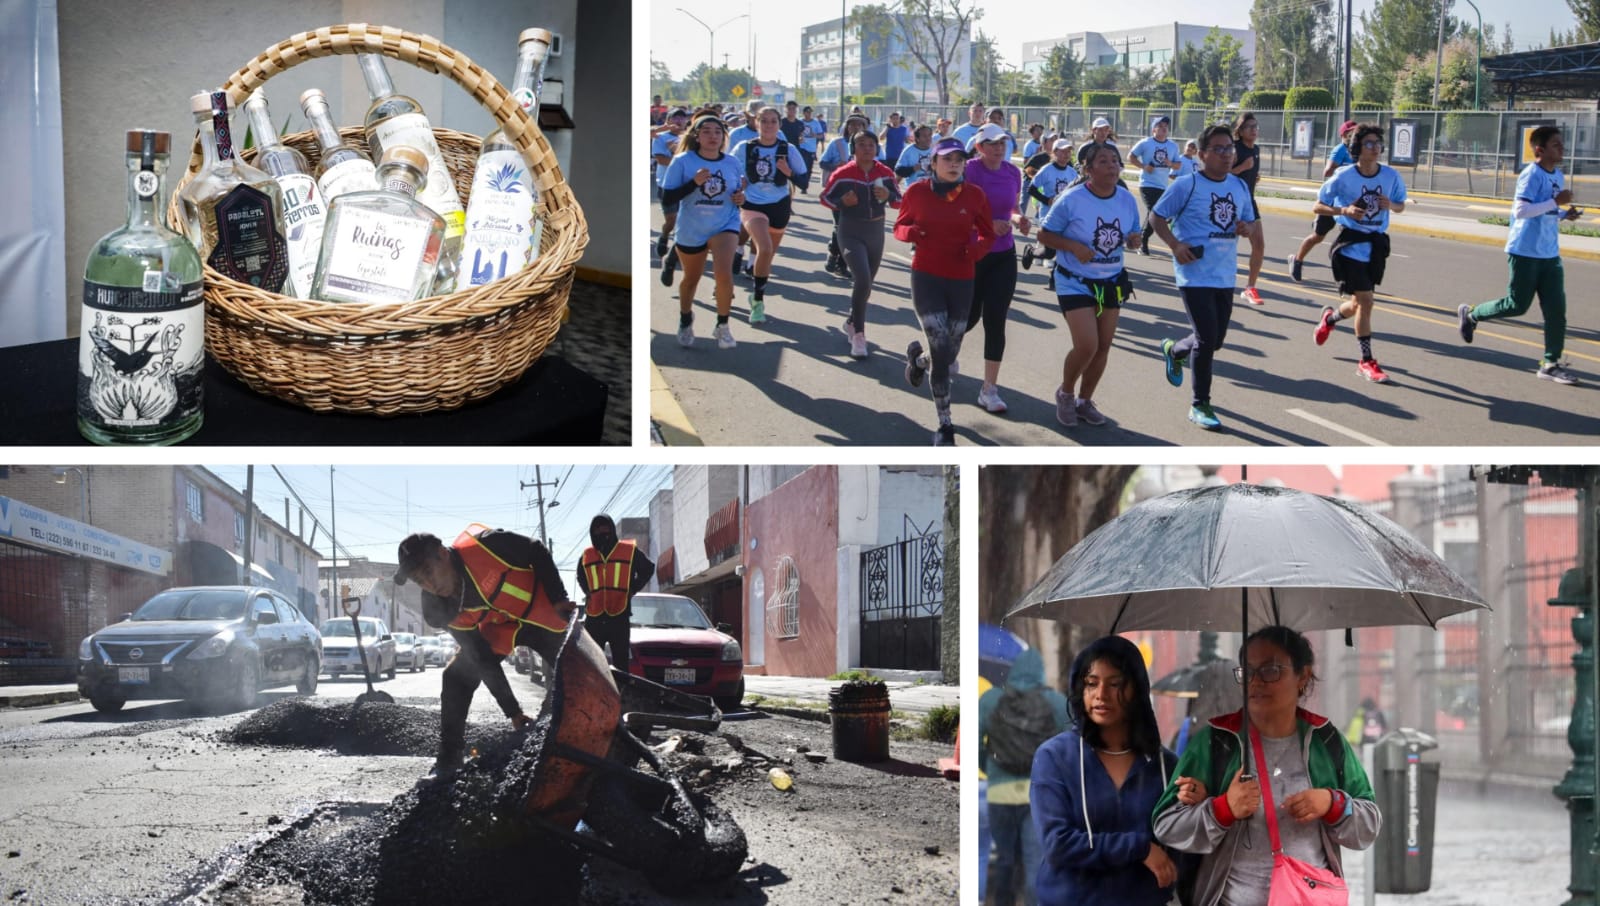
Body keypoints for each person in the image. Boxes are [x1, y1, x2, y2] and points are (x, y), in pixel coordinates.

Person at [1154, 626, 1382, 906]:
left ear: (1303, 676)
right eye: (1247, 671)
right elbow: (1166, 824)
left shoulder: (1326, 740)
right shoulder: (1216, 742)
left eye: (1271, 670)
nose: (1256, 682)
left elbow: (1369, 825)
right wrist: (1223, 809)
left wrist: (1332, 804)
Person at [393, 527, 576, 775]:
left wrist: (558, 597)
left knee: (577, 674)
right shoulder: (438, 609)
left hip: (540, 615)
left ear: (442, 554)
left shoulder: (488, 546)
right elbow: (481, 657)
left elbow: (535, 549)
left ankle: (598, 737)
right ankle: (449, 759)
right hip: (500, 629)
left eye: (427, 571)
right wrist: (513, 711)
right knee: (456, 677)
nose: (429, 584)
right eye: (419, 580)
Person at [1034, 635, 1200, 906]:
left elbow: (1180, 848)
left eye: (1116, 684)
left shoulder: (1164, 765)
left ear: (1137, 690)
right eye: (1091, 684)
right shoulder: (1054, 758)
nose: (1101, 695)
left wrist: (1197, 806)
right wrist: (1140, 848)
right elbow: (1057, 844)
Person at [1150, 123, 1260, 431]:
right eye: (1219, 149)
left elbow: (1249, 224)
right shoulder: (1187, 185)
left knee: (1215, 341)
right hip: (1194, 273)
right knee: (1207, 339)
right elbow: (1156, 217)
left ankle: (1174, 350)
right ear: (1201, 154)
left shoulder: (1238, 187)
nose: (1227, 155)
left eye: (1230, 149)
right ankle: (1200, 404)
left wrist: (1245, 229)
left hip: (1225, 275)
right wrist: (1175, 245)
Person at [1458, 124, 1581, 384]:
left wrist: (1562, 214)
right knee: (1517, 305)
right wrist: (1556, 203)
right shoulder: (1530, 175)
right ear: (1540, 149)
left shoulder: (1557, 175)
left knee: (1556, 311)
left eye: (1562, 144)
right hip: (1524, 251)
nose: (1562, 149)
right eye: (1556, 145)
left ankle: (1550, 363)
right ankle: (1472, 314)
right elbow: (1521, 212)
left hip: (1549, 253)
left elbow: (1544, 211)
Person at [894, 137, 996, 445]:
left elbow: (988, 234)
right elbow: (899, 227)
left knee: (949, 350)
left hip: (962, 279)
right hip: (926, 277)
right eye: (947, 159)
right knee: (941, 349)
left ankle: (919, 360)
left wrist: (975, 251)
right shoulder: (917, 192)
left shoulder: (975, 196)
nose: (954, 164)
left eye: (959, 159)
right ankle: (945, 424)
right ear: (933, 163)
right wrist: (911, 232)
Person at [1037, 143, 1142, 429]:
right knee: (1087, 345)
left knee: (1103, 347)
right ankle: (1066, 393)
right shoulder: (1072, 199)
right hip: (1074, 281)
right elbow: (1044, 234)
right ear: (1088, 169)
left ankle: (1085, 400)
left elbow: (1132, 232)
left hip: (1111, 281)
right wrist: (1072, 246)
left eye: (1115, 161)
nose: (1111, 166)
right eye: (1104, 161)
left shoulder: (1125, 198)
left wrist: (1134, 239)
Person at [1311, 122, 1408, 384]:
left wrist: (1393, 205)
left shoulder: (1390, 176)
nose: (1375, 148)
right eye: (1369, 143)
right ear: (1357, 147)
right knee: (1366, 301)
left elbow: (1401, 206)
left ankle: (1330, 319)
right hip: (1350, 245)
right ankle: (1366, 361)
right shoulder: (1344, 176)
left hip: (1376, 246)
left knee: (1357, 304)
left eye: (1378, 143)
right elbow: (1318, 206)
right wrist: (1344, 211)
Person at [979, 647, 1069, 906]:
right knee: (1035, 862)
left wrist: (990, 768)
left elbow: (975, 743)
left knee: (1005, 860)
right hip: (1037, 796)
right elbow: (1069, 747)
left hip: (998, 793)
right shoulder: (1057, 702)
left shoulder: (991, 699)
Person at [659, 113, 747, 348]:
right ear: (697, 136)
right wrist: (694, 183)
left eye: (717, 132)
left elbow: (738, 195)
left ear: (723, 137)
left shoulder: (732, 162)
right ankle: (686, 318)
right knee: (691, 279)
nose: (712, 136)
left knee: (724, 274)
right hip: (692, 227)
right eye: (706, 131)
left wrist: (740, 198)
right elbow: (667, 197)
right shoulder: (683, 161)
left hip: (724, 224)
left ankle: (723, 325)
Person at [965, 122, 1031, 415]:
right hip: (973, 254)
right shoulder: (968, 170)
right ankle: (931, 357)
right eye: (992, 143)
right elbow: (957, 210)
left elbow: (1012, 207)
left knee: (995, 320)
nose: (998, 148)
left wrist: (1018, 220)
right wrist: (985, 225)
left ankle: (989, 389)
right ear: (979, 147)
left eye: (1002, 142)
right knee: (965, 320)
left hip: (1003, 254)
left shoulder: (1012, 172)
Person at [823, 130, 901, 357]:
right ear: (853, 148)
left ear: (877, 148)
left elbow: (899, 202)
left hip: (876, 231)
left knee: (867, 286)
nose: (867, 148)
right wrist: (842, 202)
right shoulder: (843, 173)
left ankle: (850, 321)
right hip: (850, 231)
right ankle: (858, 334)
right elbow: (825, 197)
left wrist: (887, 195)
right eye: (861, 144)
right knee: (862, 279)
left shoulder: (885, 172)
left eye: (871, 144)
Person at [730, 106, 807, 324]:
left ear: (779, 125)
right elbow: (729, 173)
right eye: (764, 121)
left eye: (773, 121)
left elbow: (803, 181)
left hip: (780, 206)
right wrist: (739, 185)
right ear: (756, 123)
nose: (769, 125)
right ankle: (758, 302)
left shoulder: (787, 149)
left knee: (767, 256)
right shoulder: (744, 148)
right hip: (753, 204)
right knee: (763, 248)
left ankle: (754, 292)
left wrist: (787, 172)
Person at [576, 514, 653, 676]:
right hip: (595, 617)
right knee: (591, 663)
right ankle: (594, 698)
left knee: (621, 665)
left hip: (619, 616)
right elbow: (580, 575)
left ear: (611, 529)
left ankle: (620, 698)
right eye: (597, 530)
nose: (601, 533)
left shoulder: (628, 551)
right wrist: (588, 592)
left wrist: (632, 589)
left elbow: (648, 568)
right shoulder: (587, 555)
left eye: (605, 528)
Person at [1288, 120, 1359, 282]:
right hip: (1331, 202)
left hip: (1348, 203)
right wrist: (1345, 171)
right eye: (1351, 133)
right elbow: (1327, 172)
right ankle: (1297, 259)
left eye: (1356, 132)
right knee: (1318, 236)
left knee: (1350, 237)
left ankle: (1350, 274)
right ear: (1343, 135)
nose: (1353, 136)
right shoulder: (1340, 150)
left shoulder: (1358, 151)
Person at [1019, 139, 1079, 277]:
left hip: (1065, 215)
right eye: (1062, 151)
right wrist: (1047, 200)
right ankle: (1031, 251)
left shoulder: (1072, 173)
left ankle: (1055, 277)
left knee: (1063, 247)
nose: (1066, 154)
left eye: (1068, 151)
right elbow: (1031, 189)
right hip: (1048, 214)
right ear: (1055, 152)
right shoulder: (1047, 170)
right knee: (1049, 252)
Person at [1127, 115, 1182, 255]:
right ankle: (1142, 241)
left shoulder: (1172, 146)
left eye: (1166, 127)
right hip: (1147, 184)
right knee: (1154, 211)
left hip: (1162, 186)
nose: (1164, 129)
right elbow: (1130, 157)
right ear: (1154, 130)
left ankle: (1143, 238)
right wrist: (1144, 166)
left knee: (1155, 215)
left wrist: (1170, 164)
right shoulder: (1146, 143)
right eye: (1160, 126)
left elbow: (1178, 165)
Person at [1230, 112, 1267, 306]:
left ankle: (1250, 287)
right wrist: (1242, 167)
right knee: (1225, 244)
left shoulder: (1257, 149)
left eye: (1256, 126)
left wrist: (1253, 175)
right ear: (1240, 130)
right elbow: (1223, 174)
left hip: (1249, 201)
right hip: (1231, 202)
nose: (1254, 130)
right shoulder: (1235, 149)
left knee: (1259, 245)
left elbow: (1248, 174)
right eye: (1249, 127)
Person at [651, 107, 689, 259]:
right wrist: (677, 156)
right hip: (666, 184)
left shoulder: (689, 138)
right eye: (675, 117)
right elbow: (661, 160)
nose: (679, 121)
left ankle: (675, 251)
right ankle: (665, 235)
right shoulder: (660, 137)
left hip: (686, 185)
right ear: (669, 120)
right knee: (672, 220)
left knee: (684, 220)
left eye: (682, 118)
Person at [895, 124, 937, 190]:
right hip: (913, 190)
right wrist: (913, 169)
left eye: (929, 135)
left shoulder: (935, 149)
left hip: (932, 190)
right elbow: (899, 171)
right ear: (917, 139)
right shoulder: (909, 151)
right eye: (924, 136)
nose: (928, 138)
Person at [797, 106, 826, 194]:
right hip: (801, 147)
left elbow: (821, 135)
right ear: (804, 113)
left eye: (810, 112)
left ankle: (805, 185)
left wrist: (815, 136)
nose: (809, 114)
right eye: (807, 112)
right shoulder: (800, 122)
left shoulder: (816, 123)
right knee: (801, 166)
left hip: (811, 148)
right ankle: (801, 184)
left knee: (808, 168)